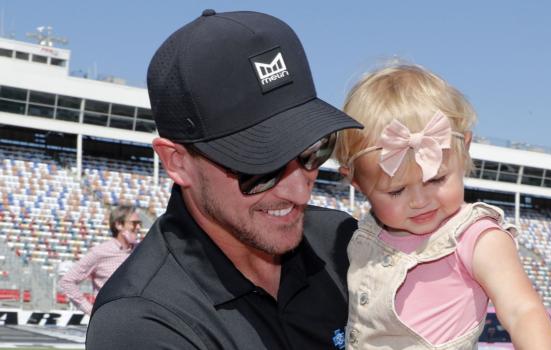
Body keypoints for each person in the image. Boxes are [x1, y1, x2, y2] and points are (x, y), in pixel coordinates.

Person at [86, 10, 362, 349]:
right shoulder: (142, 322)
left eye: (312, 152)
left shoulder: (341, 243)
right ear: (178, 163)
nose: (299, 191)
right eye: (260, 167)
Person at [334, 64, 551, 349]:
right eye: (397, 190)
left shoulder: (475, 238)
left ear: (464, 150)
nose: (420, 200)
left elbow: (522, 310)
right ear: (356, 183)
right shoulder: (360, 239)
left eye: (436, 178)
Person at [57, 204, 140, 314]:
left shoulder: (142, 250)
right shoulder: (100, 252)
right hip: (110, 320)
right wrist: (90, 311)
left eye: (139, 224)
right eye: (134, 223)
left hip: (137, 318)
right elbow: (67, 281)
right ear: (119, 225)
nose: (138, 227)